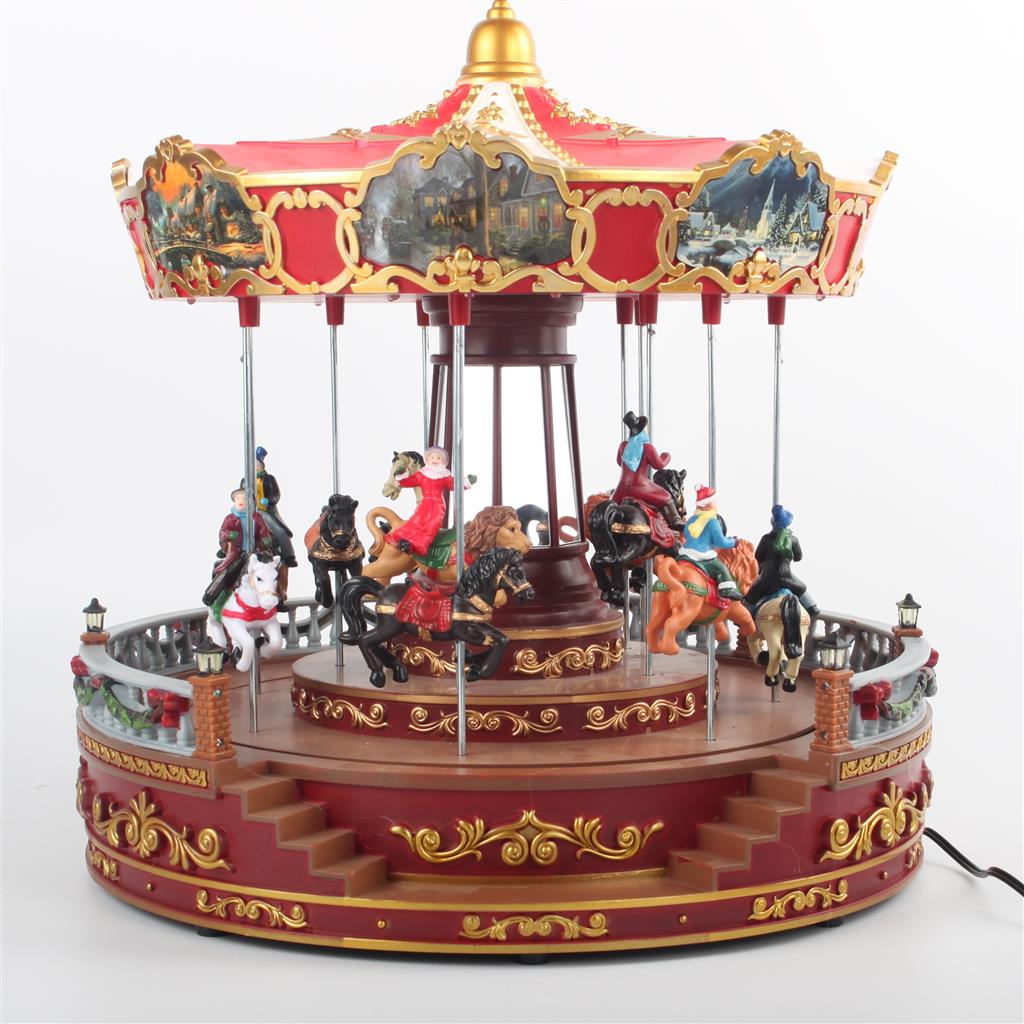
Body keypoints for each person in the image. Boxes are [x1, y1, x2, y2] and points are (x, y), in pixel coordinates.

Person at [384, 446, 470, 557]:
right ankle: (405, 540)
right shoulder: (422, 475)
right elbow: (408, 482)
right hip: (425, 502)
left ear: (443, 461)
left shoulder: (444, 476)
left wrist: (466, 482)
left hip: (438, 505)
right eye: (432, 457)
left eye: (438, 458)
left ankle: (420, 544)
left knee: (433, 524)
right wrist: (401, 475)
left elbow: (454, 484)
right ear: (428, 459)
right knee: (417, 520)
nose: (435, 460)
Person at [203, 488, 275, 611]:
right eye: (238, 498)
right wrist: (230, 535)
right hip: (237, 552)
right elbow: (223, 533)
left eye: (244, 498)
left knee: (268, 571)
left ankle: (273, 597)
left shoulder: (256, 518)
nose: (240, 501)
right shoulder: (230, 518)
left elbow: (264, 532)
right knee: (229, 570)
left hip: (255, 551)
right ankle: (211, 594)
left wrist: (266, 539)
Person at [612, 411, 684, 531]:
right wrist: (666, 456)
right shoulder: (647, 448)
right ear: (642, 431)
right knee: (666, 496)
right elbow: (658, 465)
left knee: (610, 504)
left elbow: (619, 462)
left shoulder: (623, 446)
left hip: (621, 488)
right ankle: (674, 521)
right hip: (640, 487)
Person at [743, 504, 819, 615]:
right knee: (802, 588)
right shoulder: (793, 540)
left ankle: (744, 616)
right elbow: (798, 558)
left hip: (767, 578)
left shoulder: (766, 538)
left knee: (750, 596)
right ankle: (812, 607)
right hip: (787, 578)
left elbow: (758, 557)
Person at [679, 485, 743, 601]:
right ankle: (727, 590)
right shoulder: (713, 522)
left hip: (686, 554)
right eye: (714, 502)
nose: (716, 504)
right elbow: (721, 542)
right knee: (722, 568)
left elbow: (687, 535)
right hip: (702, 555)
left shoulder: (692, 519)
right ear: (708, 505)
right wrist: (734, 542)